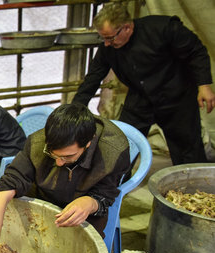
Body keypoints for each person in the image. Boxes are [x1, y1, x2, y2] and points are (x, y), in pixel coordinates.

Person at [0, 104, 131, 253]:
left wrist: (90, 203)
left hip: (85, 210)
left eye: (68, 156)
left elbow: (107, 193)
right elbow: (4, 190)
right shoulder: (38, 143)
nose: (58, 162)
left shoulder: (113, 151)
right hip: (44, 197)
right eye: (53, 155)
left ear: (88, 143)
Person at [72, 3, 215, 165]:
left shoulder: (162, 28)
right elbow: (93, 77)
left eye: (110, 38)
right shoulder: (108, 47)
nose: (106, 43)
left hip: (176, 96)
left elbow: (196, 51)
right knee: (123, 144)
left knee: (187, 149)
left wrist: (204, 85)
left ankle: (192, 188)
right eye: (103, 38)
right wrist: (75, 109)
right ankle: (113, 186)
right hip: (140, 97)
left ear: (127, 27)